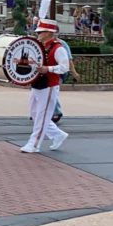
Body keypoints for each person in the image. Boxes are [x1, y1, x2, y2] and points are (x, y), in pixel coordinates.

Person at [22, 9, 69, 153]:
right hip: (37, 84)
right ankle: (57, 134)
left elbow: (64, 67)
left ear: (49, 33)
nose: (38, 34)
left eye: (41, 32)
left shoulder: (58, 48)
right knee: (35, 114)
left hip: (49, 85)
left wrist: (48, 69)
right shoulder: (40, 46)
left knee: (42, 116)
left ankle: (34, 144)